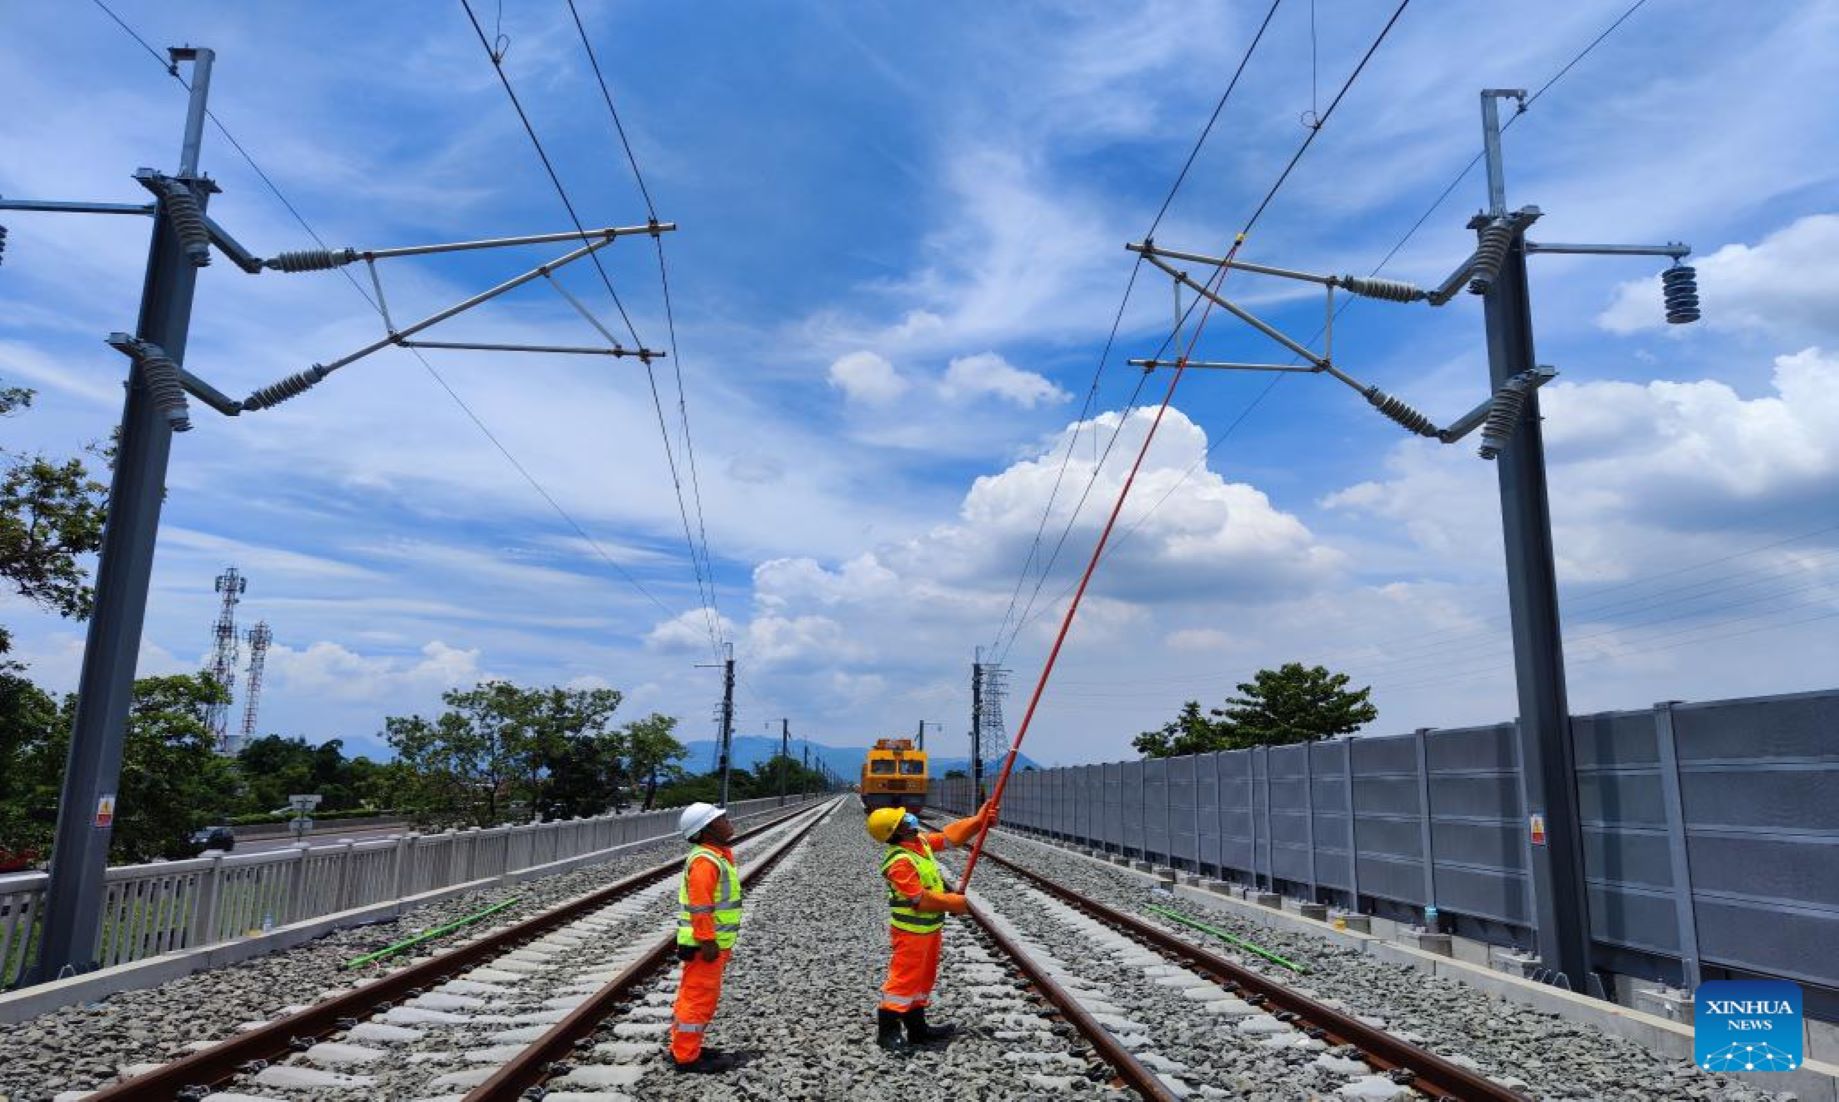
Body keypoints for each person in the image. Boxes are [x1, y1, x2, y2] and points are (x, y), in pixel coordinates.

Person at [865, 801, 993, 1051]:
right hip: (910, 933)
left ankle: (917, 1028)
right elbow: (919, 900)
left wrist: (978, 821)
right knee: (904, 980)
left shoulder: (919, 844)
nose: (909, 818)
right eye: (903, 819)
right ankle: (887, 1030)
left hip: (929, 930)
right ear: (897, 831)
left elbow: (949, 838)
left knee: (923, 979)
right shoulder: (900, 861)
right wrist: (952, 902)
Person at [671, 802, 742, 1073]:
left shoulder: (715, 854)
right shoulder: (705, 861)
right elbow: (701, 906)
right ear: (707, 829)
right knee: (698, 999)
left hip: (710, 943)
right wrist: (707, 940)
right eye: (721, 819)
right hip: (705, 946)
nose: (727, 822)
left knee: (693, 996)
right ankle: (687, 1057)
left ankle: (685, 1046)